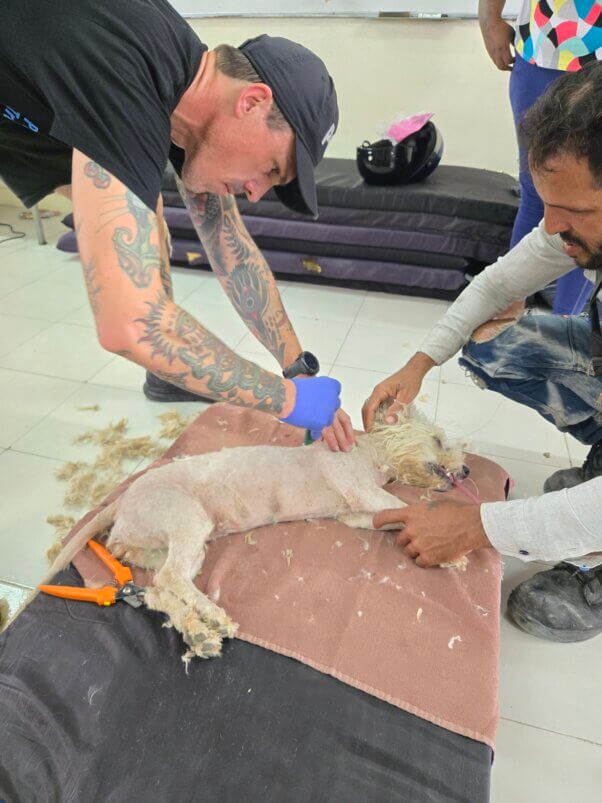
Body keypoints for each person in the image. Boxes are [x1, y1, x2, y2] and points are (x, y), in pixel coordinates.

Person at [0, 0, 354, 452]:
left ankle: (164, 373)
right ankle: (164, 365)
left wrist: (297, 366)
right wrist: (286, 400)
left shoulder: (182, 79)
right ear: (252, 100)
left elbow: (231, 248)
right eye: (270, 168)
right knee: (137, 286)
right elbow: (131, 325)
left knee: (148, 234)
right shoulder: (128, 74)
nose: (256, 191)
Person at [363, 63, 602, 643]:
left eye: (574, 212)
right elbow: (497, 285)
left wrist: (481, 527)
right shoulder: (574, 221)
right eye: (546, 202)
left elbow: (478, 529)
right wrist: (418, 364)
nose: (552, 227)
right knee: (496, 345)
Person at [478, 0, 600, 315]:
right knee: (536, 192)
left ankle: (564, 333)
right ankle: (504, 323)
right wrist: (489, 18)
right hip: (540, 54)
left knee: (589, 209)